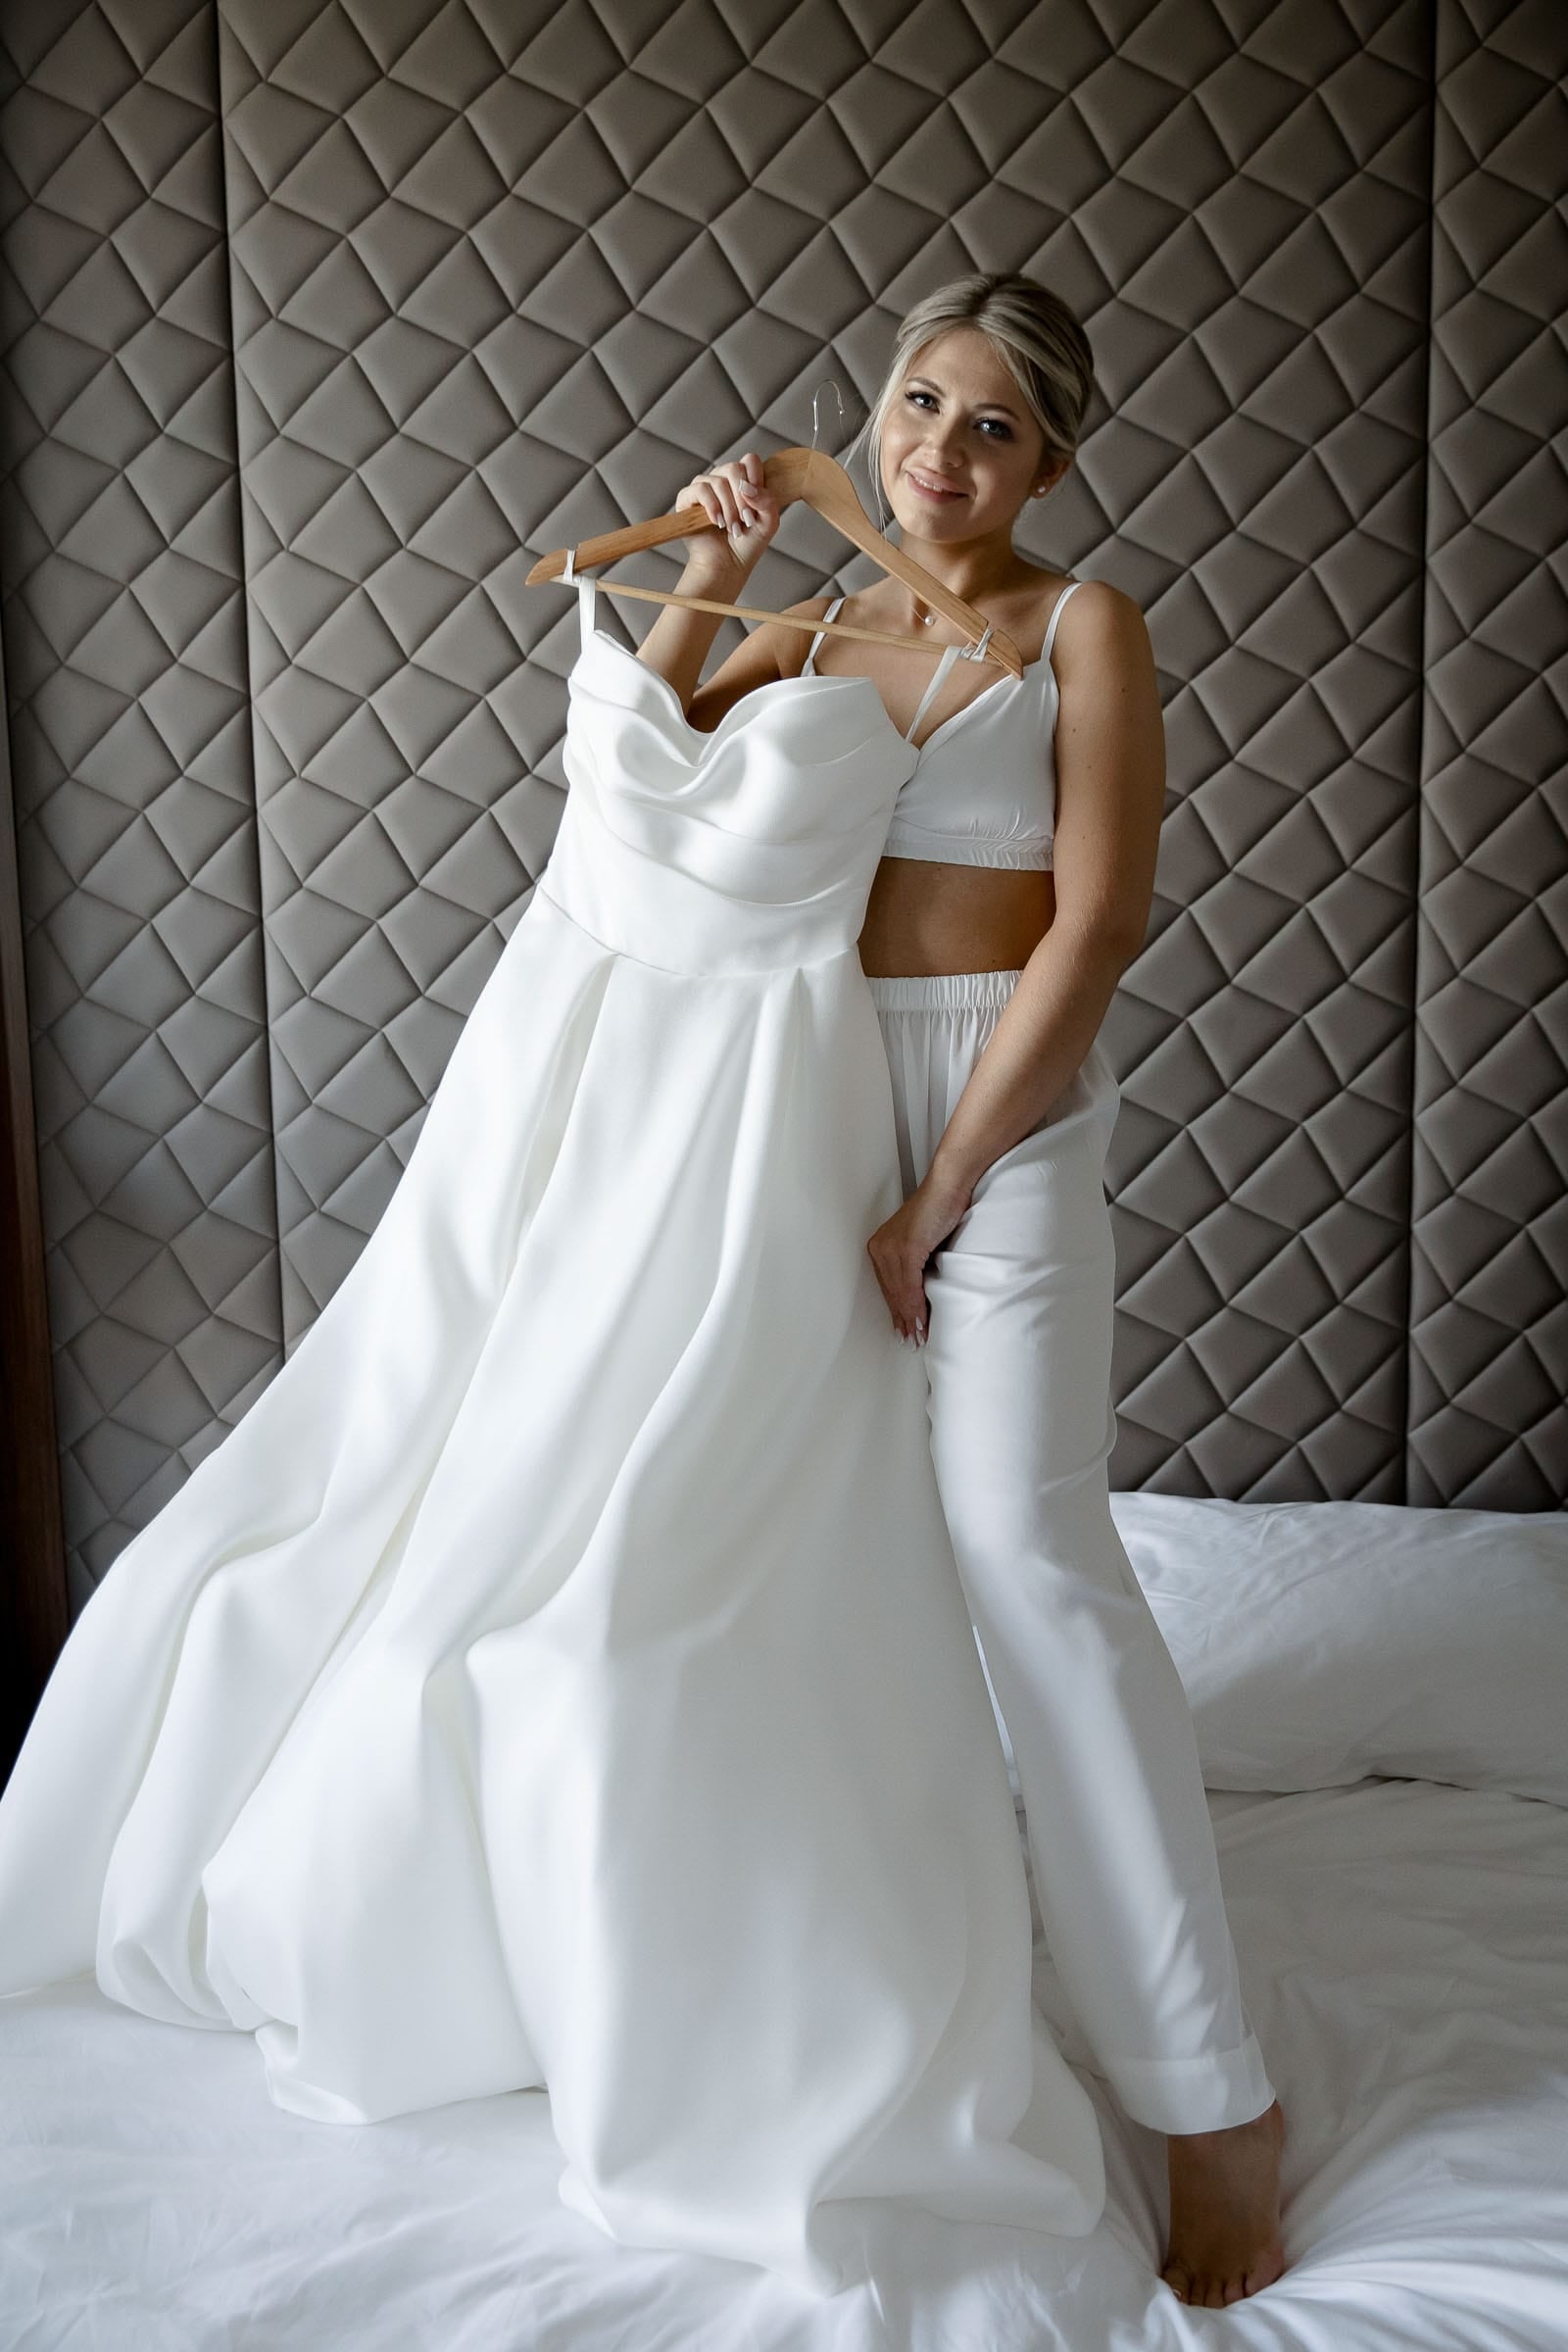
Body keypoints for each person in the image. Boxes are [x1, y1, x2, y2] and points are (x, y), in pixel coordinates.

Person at [648, 269, 1289, 2310]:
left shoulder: (1080, 627)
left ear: (1051, 458)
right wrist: (705, 570)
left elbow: (1094, 928)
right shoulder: (821, 621)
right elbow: (643, 766)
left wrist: (938, 1190)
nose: (938, 448)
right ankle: (831, 2015)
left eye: (992, 423)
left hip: (1000, 1109)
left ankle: (1212, 2102)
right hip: (813, 1099)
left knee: (1025, 1551)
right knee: (776, 1546)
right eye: (917, 403)